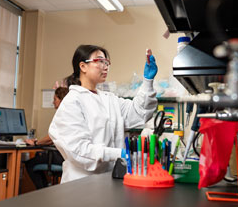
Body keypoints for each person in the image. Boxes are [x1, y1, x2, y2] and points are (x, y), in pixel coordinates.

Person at [49, 45, 158, 183]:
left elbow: (138, 113)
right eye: (100, 61)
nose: (105, 66)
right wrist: (120, 154)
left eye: (106, 62)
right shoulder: (72, 102)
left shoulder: (109, 99)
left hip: (110, 180)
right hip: (80, 185)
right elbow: (79, 150)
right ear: (83, 66)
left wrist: (148, 82)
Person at [24, 87, 68, 189]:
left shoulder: (63, 115)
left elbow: (51, 138)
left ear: (61, 101)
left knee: (30, 163)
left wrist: (36, 143)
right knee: (40, 156)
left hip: (60, 156)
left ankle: (42, 191)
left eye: (55, 99)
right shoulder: (70, 114)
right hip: (66, 156)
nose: (53, 102)